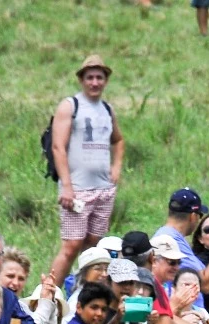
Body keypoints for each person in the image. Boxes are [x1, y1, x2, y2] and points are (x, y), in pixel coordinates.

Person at [50, 55, 124, 283]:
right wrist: (67, 186)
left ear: (106, 81)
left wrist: (116, 167)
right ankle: (48, 293)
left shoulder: (107, 109)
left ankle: (81, 292)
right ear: (82, 80)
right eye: (90, 77)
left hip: (103, 187)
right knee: (72, 245)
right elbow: (58, 146)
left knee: (93, 246)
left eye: (99, 78)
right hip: (78, 188)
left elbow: (118, 140)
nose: (94, 82)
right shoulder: (71, 105)